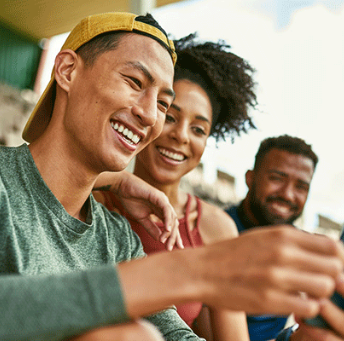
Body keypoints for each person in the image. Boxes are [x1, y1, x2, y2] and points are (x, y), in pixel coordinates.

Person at [0, 12, 344, 341]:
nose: (151, 115)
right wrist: (192, 270)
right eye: (134, 82)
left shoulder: (118, 238)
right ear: (67, 71)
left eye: (163, 103)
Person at [94, 33, 257, 341]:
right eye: (169, 116)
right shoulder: (94, 197)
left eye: (198, 129)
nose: (181, 136)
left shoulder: (216, 230)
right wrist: (118, 181)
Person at [223, 135, 344, 341]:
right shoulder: (214, 233)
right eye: (276, 178)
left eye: (301, 187)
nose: (288, 194)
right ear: (250, 178)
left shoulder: (299, 244)